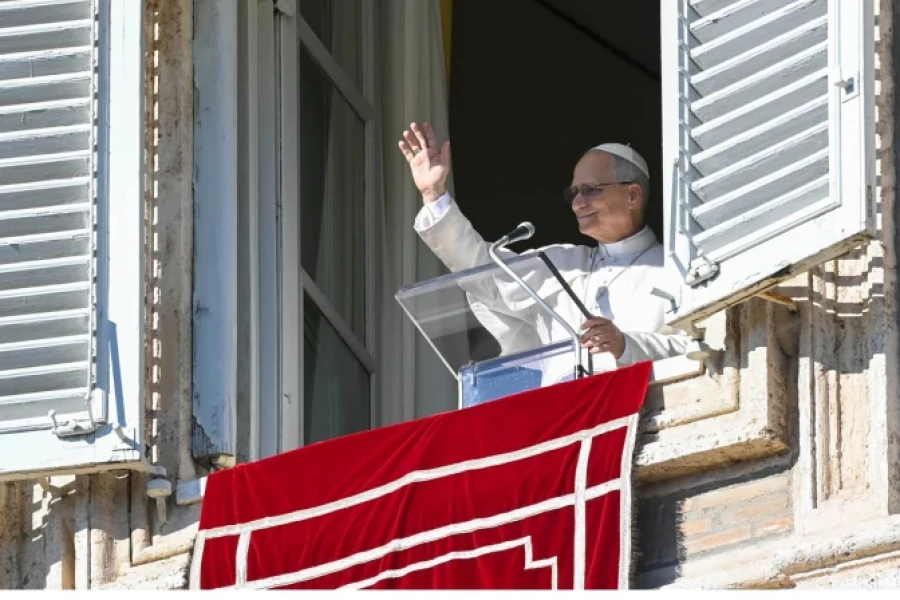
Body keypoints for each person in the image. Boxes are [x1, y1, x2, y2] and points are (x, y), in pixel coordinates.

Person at [398, 121, 692, 389]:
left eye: (590, 190)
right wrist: (434, 196)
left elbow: (694, 347)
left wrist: (625, 346)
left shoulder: (677, 268)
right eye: (573, 192)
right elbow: (484, 273)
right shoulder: (560, 264)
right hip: (560, 416)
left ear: (633, 196)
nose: (577, 203)